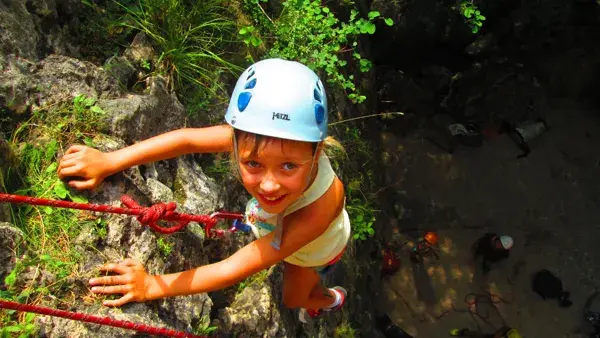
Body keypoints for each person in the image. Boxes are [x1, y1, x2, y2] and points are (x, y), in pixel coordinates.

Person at [57, 58, 351, 323]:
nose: (269, 184)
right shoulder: (260, 137)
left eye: (289, 167)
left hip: (314, 249)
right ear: (235, 143)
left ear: (317, 153)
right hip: (280, 226)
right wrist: (109, 161)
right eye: (253, 163)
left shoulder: (324, 204)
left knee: (295, 298)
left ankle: (332, 299)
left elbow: (233, 268)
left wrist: (150, 286)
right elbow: (188, 140)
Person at [449, 326, 522, 338]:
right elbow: (504, 329)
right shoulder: (513, 334)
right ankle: (461, 332)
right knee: (477, 335)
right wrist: (495, 336)